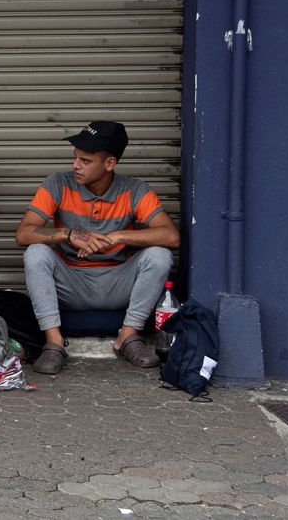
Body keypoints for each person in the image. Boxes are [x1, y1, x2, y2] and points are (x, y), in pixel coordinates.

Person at [15, 120, 181, 375]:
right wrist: (68, 234)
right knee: (36, 252)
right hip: (72, 283)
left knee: (160, 255)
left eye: (85, 161)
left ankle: (127, 336)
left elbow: (171, 236)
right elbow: (24, 233)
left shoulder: (135, 190)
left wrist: (116, 237)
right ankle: (54, 342)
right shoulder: (58, 184)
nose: (75, 166)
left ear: (109, 164)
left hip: (117, 282)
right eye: (75, 158)